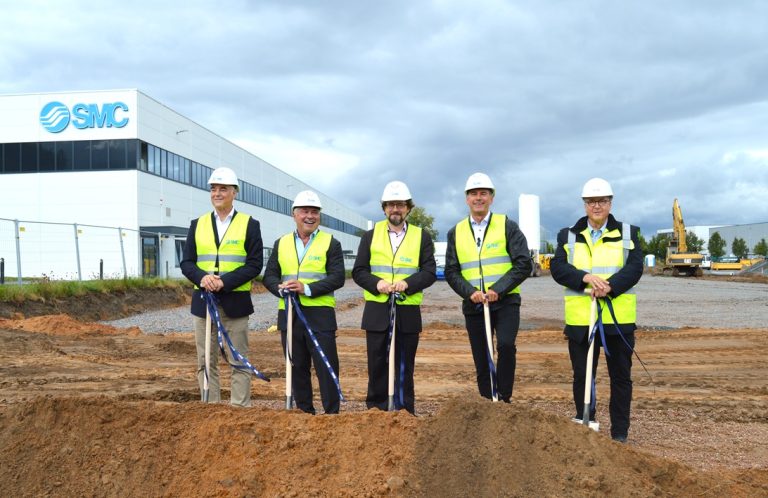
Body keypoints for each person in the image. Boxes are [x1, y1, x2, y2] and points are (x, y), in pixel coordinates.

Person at [550, 177, 643, 443]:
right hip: (581, 319)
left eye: (602, 200)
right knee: (583, 375)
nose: (597, 205)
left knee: (620, 378)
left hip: (618, 319)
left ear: (610, 202)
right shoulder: (567, 235)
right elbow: (558, 268)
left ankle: (620, 434)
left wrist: (610, 286)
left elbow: (635, 268)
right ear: (584, 204)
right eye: (591, 201)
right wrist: (586, 278)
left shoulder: (629, 233)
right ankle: (585, 421)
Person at [444, 172, 532, 403]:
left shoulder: (507, 226)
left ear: (491, 198)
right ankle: (486, 400)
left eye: (483, 193)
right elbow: (451, 270)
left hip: (505, 302)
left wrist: (498, 289)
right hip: (474, 303)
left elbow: (523, 263)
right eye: (474, 193)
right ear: (467, 199)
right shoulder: (456, 231)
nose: (478, 198)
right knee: (482, 355)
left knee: (505, 345)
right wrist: (469, 292)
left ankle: (504, 397)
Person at [180, 166, 263, 407]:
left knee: (238, 359)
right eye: (213, 189)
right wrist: (202, 278)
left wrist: (224, 282)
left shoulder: (250, 224)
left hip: (235, 303)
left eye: (223, 189)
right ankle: (211, 410)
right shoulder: (198, 224)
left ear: (234, 192)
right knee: (205, 360)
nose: (217, 193)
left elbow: (254, 264)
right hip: (203, 303)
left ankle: (239, 410)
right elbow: (187, 262)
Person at [352, 181, 436, 415]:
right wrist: (377, 284)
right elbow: (359, 271)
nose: (395, 209)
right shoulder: (370, 236)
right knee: (377, 363)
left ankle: (404, 411)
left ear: (409, 208)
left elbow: (429, 272)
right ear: (384, 208)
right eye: (390, 205)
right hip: (377, 310)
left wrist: (408, 284)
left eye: (400, 204)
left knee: (404, 365)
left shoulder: (422, 237)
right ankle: (376, 412)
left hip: (407, 309)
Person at [263, 190, 345, 415]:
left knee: (326, 367)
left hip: (320, 315)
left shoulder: (331, 243)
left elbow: (337, 277)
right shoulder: (281, 243)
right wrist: (280, 289)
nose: (310, 216)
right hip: (289, 314)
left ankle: (331, 415)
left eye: (314, 212)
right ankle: (304, 413)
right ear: (294, 214)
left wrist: (307, 288)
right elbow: (269, 276)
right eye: (305, 211)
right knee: (297, 367)